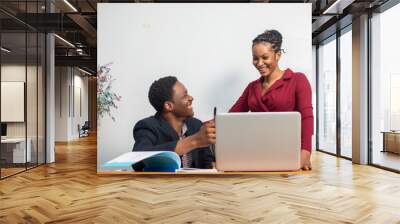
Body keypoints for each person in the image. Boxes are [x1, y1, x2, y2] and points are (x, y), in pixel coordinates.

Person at [229, 30, 314, 170]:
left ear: (278, 55)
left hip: (289, 152)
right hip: (257, 152)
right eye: (255, 58)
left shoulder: (297, 80)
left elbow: (307, 119)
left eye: (265, 57)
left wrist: (305, 155)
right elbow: (231, 117)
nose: (259, 63)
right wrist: (201, 126)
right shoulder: (252, 87)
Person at [133, 76, 215, 169]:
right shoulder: (147, 126)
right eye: (185, 96)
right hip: (163, 183)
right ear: (169, 105)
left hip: (197, 183)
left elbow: (208, 164)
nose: (191, 98)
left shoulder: (196, 125)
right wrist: (195, 140)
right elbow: (138, 159)